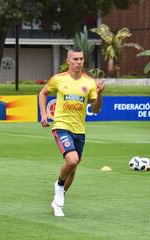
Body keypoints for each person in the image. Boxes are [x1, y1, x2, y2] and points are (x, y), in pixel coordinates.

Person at [39, 47, 105, 217]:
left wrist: (99, 94)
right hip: (61, 126)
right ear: (67, 61)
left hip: (79, 130)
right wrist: (44, 114)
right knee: (72, 159)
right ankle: (59, 185)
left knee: (73, 168)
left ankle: (57, 202)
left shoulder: (89, 82)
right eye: (75, 59)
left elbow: (96, 110)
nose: (79, 62)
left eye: (81, 59)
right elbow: (43, 92)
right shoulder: (59, 79)